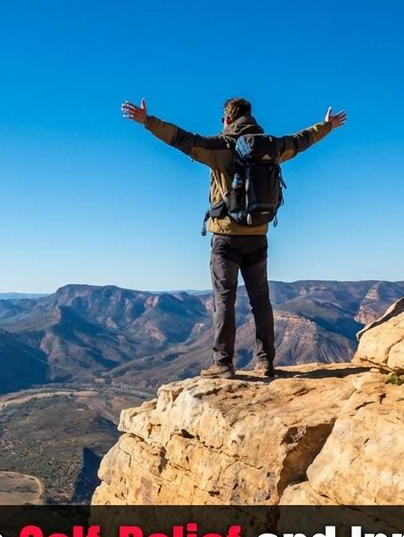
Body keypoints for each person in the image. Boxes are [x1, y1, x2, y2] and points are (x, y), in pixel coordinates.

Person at [121, 96, 347, 379]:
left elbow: (181, 139)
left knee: (224, 301)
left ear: (227, 119)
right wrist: (326, 126)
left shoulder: (221, 147)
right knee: (260, 301)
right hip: (257, 236)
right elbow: (300, 141)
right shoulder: (271, 146)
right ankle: (266, 363)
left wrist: (147, 122)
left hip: (226, 238)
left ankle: (223, 364)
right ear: (250, 117)